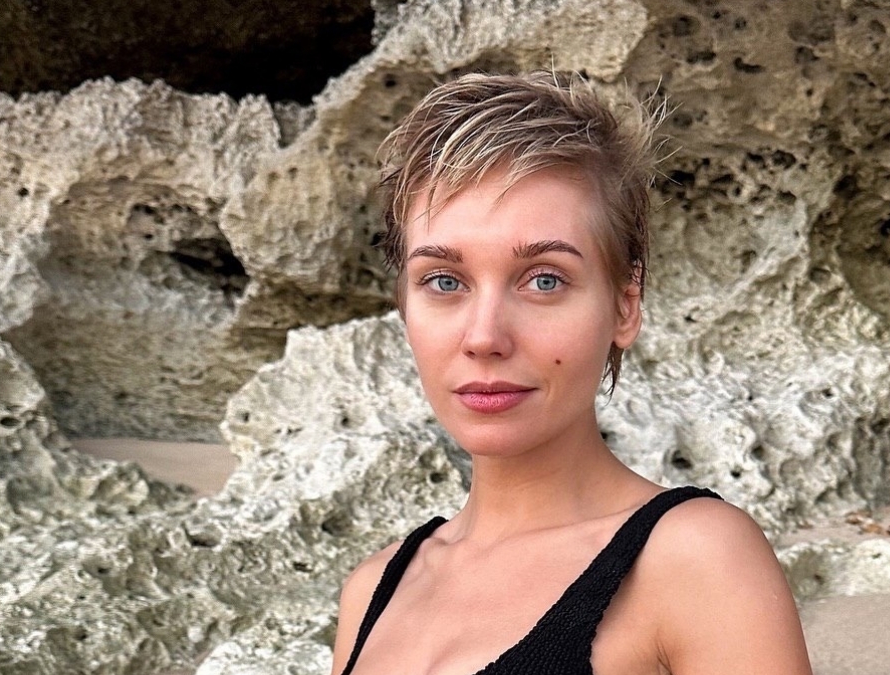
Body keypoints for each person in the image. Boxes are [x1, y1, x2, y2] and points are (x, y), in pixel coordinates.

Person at [330, 71, 812, 675]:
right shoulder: (371, 592)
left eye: (544, 280)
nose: (484, 337)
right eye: (445, 281)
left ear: (624, 306)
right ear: (404, 306)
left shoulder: (695, 559)